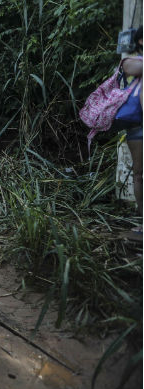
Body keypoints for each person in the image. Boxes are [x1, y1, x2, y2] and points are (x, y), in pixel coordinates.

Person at [122, 26, 143, 234]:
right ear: (140, 41)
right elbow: (133, 69)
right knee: (139, 174)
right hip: (137, 127)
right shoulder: (130, 62)